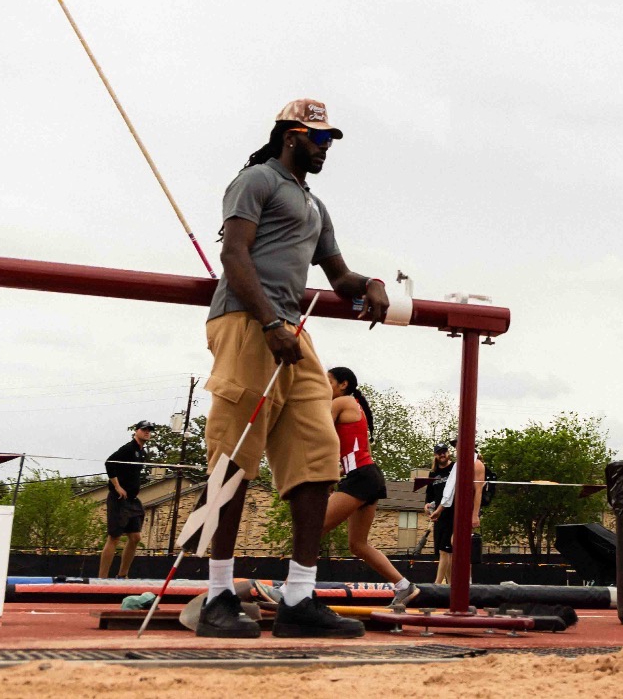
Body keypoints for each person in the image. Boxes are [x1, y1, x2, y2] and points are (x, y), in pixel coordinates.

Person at [194, 99, 391, 640]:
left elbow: (339, 274)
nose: (326, 149)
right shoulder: (256, 180)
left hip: (291, 333)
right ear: (291, 135)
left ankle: (299, 597)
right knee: (234, 456)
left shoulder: (315, 204)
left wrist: (370, 284)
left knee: (319, 456)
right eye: (319, 139)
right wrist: (267, 322)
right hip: (247, 322)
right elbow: (235, 255)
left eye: (330, 141)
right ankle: (216, 597)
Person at [322, 366, 418, 609]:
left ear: (343, 384)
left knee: (312, 529)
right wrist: (338, 473)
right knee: (358, 544)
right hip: (368, 476)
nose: (323, 385)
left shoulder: (342, 401)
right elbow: (357, 450)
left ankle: (292, 588)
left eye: (327, 381)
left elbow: (318, 431)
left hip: (362, 477)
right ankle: (403, 585)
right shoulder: (355, 406)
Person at [98, 421, 154, 580]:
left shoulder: (141, 452)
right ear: (136, 431)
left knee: (135, 537)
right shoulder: (128, 448)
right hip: (119, 499)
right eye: (144, 429)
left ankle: (122, 575)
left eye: (149, 430)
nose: (147, 432)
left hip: (132, 500)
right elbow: (109, 463)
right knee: (114, 537)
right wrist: (117, 486)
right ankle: (101, 579)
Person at [430, 441, 486, 586]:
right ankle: (451, 585)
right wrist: (439, 509)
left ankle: (465, 583)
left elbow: (478, 491)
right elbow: (449, 491)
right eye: (456, 447)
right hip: (452, 510)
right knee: (449, 549)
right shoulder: (458, 466)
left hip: (466, 511)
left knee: (459, 547)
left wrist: (475, 515)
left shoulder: (477, 464)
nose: (457, 449)